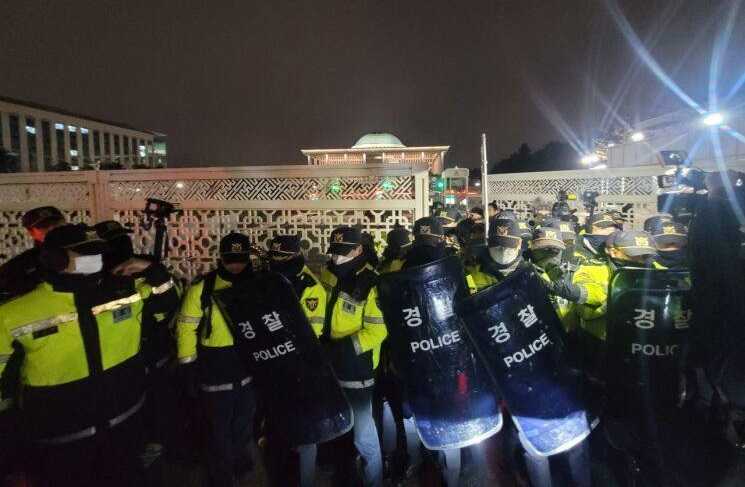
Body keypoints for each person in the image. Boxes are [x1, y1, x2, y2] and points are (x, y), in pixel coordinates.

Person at [0, 223, 177, 487]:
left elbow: (165, 309)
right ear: (54, 259)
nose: (95, 261)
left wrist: (153, 271)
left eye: (97, 253)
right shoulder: (14, 313)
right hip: (62, 436)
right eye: (85, 254)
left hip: (125, 421)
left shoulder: (123, 290)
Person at [176, 233, 256, 487]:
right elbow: (186, 327)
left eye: (241, 259)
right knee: (217, 428)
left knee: (243, 422)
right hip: (215, 369)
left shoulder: (259, 283)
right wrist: (188, 366)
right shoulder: (204, 287)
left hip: (248, 367)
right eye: (231, 259)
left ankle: (241, 466)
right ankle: (222, 476)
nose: (236, 265)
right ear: (221, 258)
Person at [323, 226, 387, 487]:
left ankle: (375, 480)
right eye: (335, 252)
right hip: (329, 367)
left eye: (344, 252)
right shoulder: (328, 273)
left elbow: (377, 331)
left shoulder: (371, 283)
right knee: (339, 430)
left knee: (363, 435)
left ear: (359, 250)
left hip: (357, 370)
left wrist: (343, 349)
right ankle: (344, 476)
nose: (337, 258)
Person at [264, 234, 327, 487]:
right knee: (278, 429)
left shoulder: (311, 288)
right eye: (274, 258)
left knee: (305, 431)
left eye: (282, 258)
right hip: (273, 366)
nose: (276, 263)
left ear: (295, 257)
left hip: (301, 369)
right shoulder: (267, 280)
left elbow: (312, 334)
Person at [0, 206, 65, 299]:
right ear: (31, 233)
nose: (52, 229)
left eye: (57, 224)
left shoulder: (86, 243)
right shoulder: (24, 263)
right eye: (44, 226)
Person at [467, 218, 528, 292]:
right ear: (488, 243)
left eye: (508, 246)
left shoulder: (530, 274)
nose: (503, 249)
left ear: (519, 244)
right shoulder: (470, 273)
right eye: (497, 245)